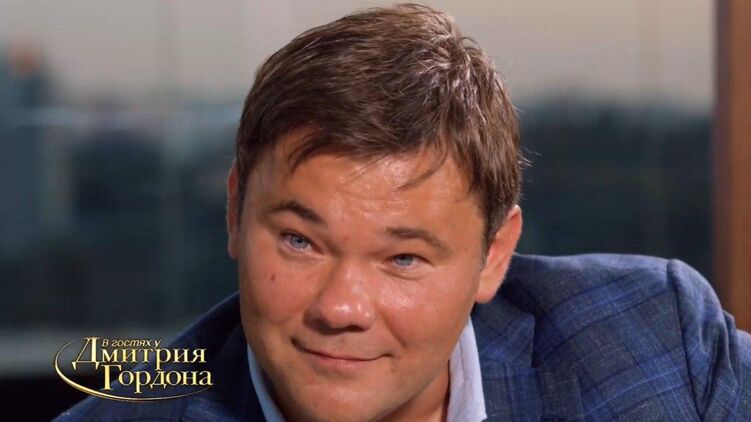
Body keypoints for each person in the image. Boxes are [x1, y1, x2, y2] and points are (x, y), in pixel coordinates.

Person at [56, 4, 751, 421]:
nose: (341, 307)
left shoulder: (654, 341)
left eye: (403, 258)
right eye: (299, 241)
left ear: (493, 255)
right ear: (236, 211)